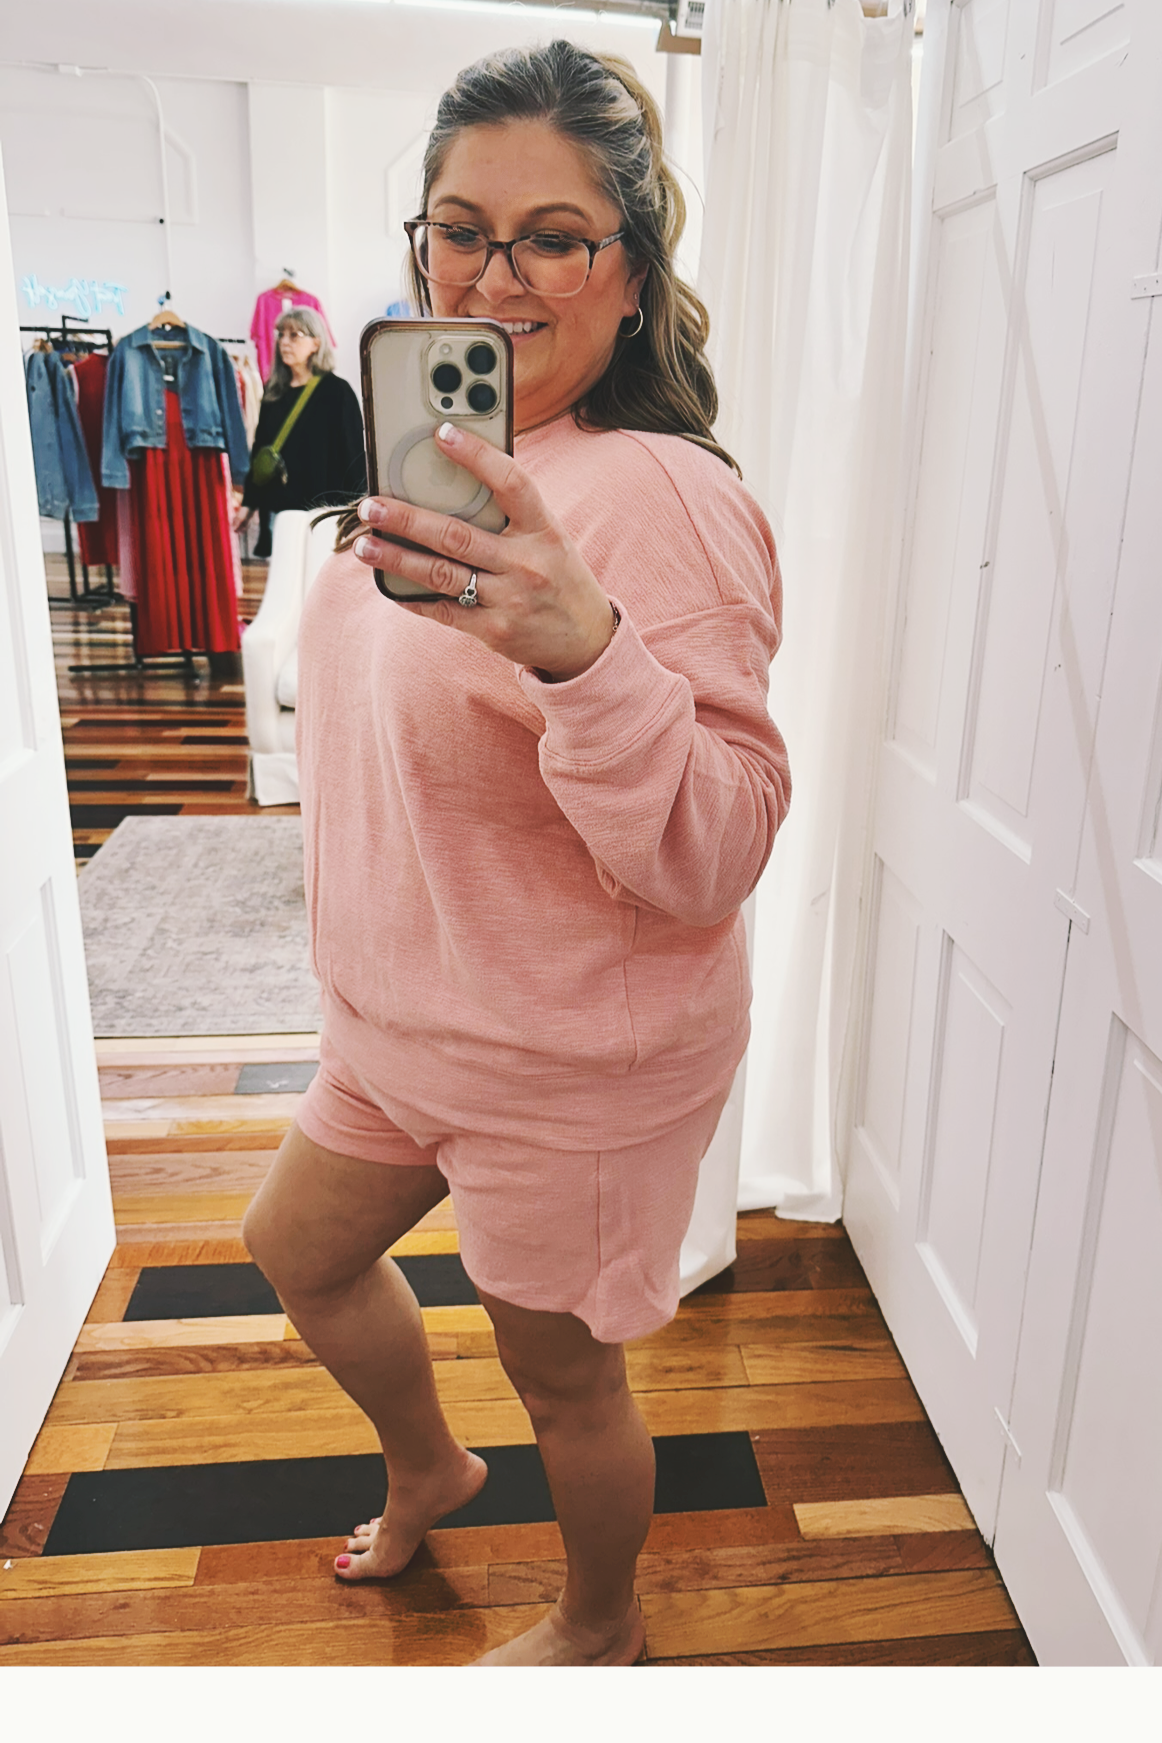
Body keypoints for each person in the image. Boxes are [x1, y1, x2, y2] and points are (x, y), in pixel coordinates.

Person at [242, 40, 791, 1668]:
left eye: (552, 236)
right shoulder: (435, 468)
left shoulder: (657, 495)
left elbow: (718, 840)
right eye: (460, 229)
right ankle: (430, 1462)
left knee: (564, 1378)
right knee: (296, 1251)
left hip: (568, 1058)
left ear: (631, 268)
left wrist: (586, 652)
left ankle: (599, 1624)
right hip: (403, 1019)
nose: (493, 276)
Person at [236, 306, 365, 556]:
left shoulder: (337, 392)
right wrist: (248, 505)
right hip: (280, 511)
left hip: (324, 512)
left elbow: (354, 457)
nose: (284, 342)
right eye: (281, 335)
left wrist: (356, 513)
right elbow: (261, 451)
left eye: (294, 335)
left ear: (316, 343)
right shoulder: (274, 392)